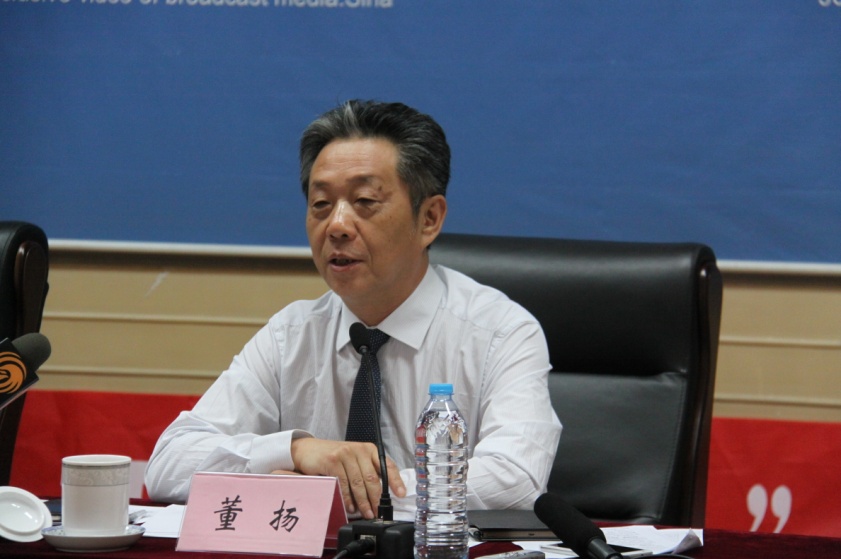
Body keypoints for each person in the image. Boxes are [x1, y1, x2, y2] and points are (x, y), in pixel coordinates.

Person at [144, 100, 562, 518]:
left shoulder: (500, 332)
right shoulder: (291, 335)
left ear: (429, 219)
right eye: (321, 204)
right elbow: (168, 465)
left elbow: (516, 480)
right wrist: (295, 450)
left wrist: (339, 495)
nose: (337, 225)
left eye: (364, 200)